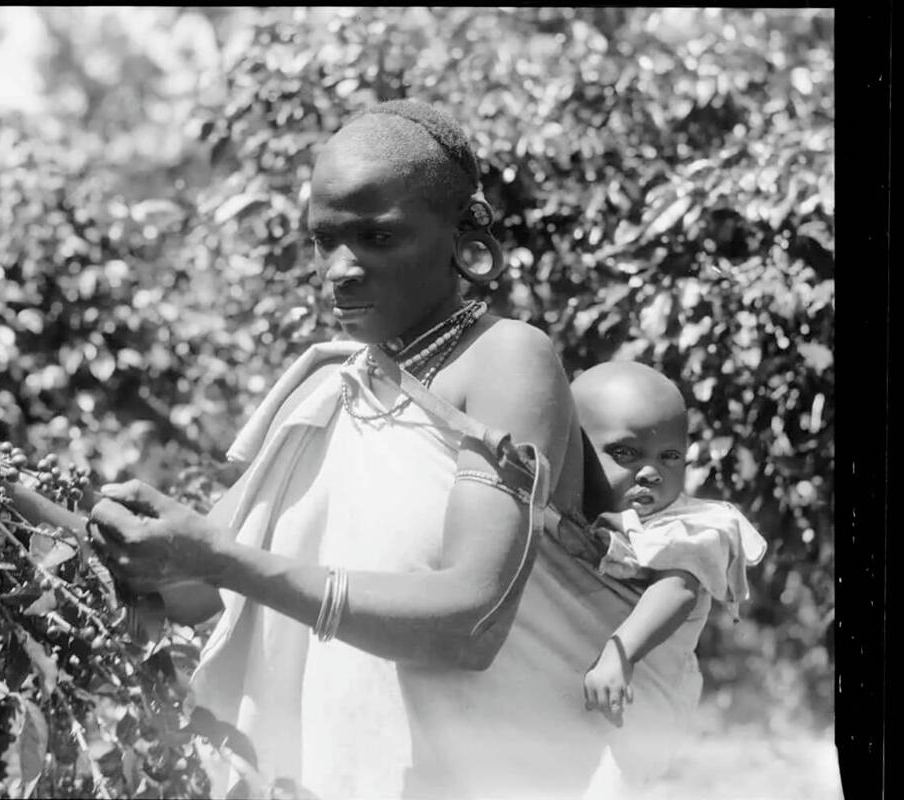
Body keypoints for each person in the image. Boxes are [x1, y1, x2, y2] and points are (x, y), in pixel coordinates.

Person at [84, 100, 692, 800]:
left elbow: (471, 624)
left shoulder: (505, 362)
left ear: (464, 235)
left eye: (377, 237)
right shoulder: (324, 392)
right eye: (324, 240)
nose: (340, 270)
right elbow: (185, 590)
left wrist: (220, 556)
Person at [570, 361, 767, 792]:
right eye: (625, 453)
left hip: (644, 697)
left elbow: (678, 588)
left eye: (669, 456)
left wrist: (619, 654)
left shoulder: (688, 526)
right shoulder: (584, 516)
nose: (650, 471)